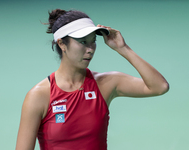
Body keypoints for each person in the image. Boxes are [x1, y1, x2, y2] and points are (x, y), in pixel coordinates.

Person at [16, 9, 169, 150]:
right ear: (62, 43)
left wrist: (123, 48)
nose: (90, 49)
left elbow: (159, 86)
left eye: (93, 40)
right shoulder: (39, 96)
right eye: (83, 42)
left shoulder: (105, 83)